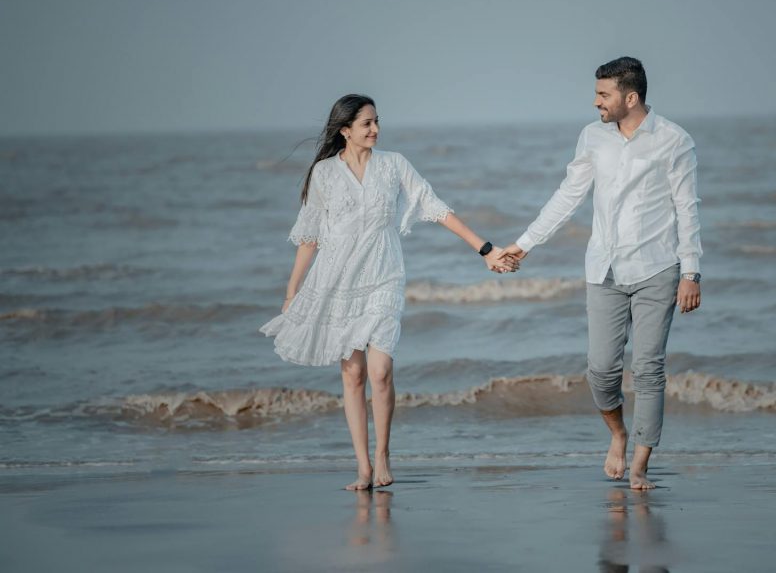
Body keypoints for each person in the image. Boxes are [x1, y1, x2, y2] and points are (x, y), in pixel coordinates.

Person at [260, 94, 517, 490]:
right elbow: (309, 238)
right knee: (353, 374)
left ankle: (383, 453)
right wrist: (292, 290)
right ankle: (362, 466)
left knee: (380, 372)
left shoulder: (394, 165)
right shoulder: (325, 174)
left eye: (377, 121)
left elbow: (436, 207)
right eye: (366, 123)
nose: (375, 129)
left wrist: (484, 249)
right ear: (345, 130)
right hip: (338, 280)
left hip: (384, 276)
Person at [501, 57, 702, 490]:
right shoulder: (593, 137)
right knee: (601, 370)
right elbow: (567, 196)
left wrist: (692, 272)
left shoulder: (674, 141)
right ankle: (618, 434)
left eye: (603, 94)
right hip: (604, 268)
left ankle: (641, 463)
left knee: (649, 368)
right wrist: (524, 243)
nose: (596, 103)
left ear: (630, 97)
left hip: (658, 267)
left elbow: (687, 209)